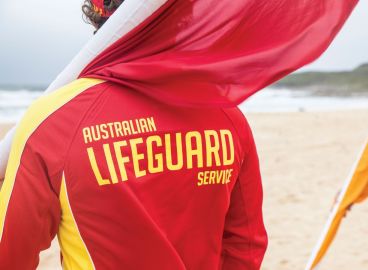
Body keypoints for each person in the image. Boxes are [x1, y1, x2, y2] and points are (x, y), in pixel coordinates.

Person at [0, 0, 267, 269]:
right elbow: (245, 246)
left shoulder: (52, 123)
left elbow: (9, 256)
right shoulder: (226, 116)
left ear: (98, 18)